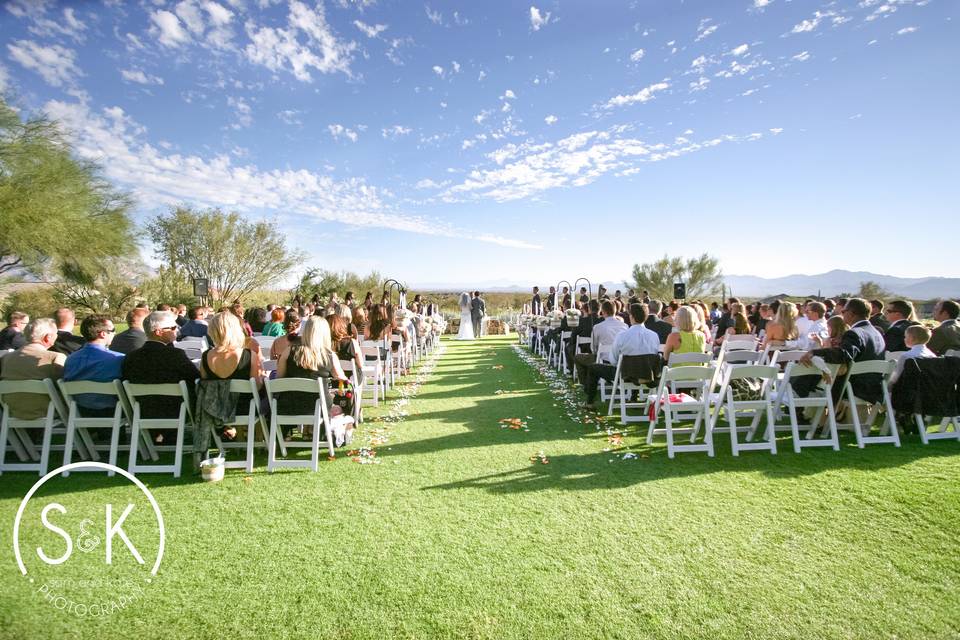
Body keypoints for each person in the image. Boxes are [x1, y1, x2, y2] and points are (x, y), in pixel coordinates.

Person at [276, 317, 354, 441]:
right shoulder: (329, 355)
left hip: (288, 406)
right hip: (319, 408)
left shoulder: (289, 351)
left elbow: (278, 379)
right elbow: (342, 379)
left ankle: (288, 433)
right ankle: (317, 430)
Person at [801, 298, 886, 404]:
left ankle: (799, 411)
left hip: (852, 388)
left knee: (805, 379)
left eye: (843, 311)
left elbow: (843, 354)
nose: (841, 314)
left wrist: (814, 352)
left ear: (851, 313)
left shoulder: (855, 333)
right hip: (874, 388)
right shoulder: (876, 333)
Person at [122, 311, 199, 420]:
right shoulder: (175, 355)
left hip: (143, 412)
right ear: (158, 332)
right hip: (176, 412)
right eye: (172, 328)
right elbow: (195, 378)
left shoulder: (131, 357)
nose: (177, 330)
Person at [199, 312, 262, 440]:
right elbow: (257, 386)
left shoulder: (205, 356)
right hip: (246, 408)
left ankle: (237, 436)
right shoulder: (249, 355)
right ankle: (259, 437)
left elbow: (205, 385)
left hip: (217, 409)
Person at [584, 303, 659, 406]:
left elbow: (613, 360)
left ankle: (589, 403)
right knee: (636, 365)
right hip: (647, 375)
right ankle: (633, 397)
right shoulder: (654, 336)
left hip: (625, 375)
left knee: (593, 368)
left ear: (631, 316)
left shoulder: (622, 336)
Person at [0, 318, 66, 419]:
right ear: (48, 337)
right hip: (48, 411)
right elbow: (64, 386)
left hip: (13, 412)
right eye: (56, 333)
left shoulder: (6, 358)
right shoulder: (55, 357)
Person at [64, 315, 125, 417]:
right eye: (113, 330)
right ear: (103, 334)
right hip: (112, 413)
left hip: (80, 412)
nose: (115, 333)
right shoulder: (118, 358)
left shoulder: (70, 359)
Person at [329, 314, 364, 378]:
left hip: (332, 378)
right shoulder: (352, 342)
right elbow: (361, 364)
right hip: (351, 378)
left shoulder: (324, 344)